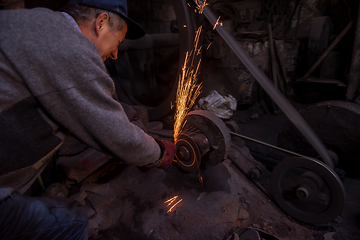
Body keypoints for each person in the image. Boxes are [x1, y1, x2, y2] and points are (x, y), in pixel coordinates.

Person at [0, 0, 176, 239]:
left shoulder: (38, 22)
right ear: (101, 22)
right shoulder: (71, 48)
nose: (115, 54)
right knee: (71, 221)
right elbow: (117, 136)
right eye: (118, 42)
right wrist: (157, 152)